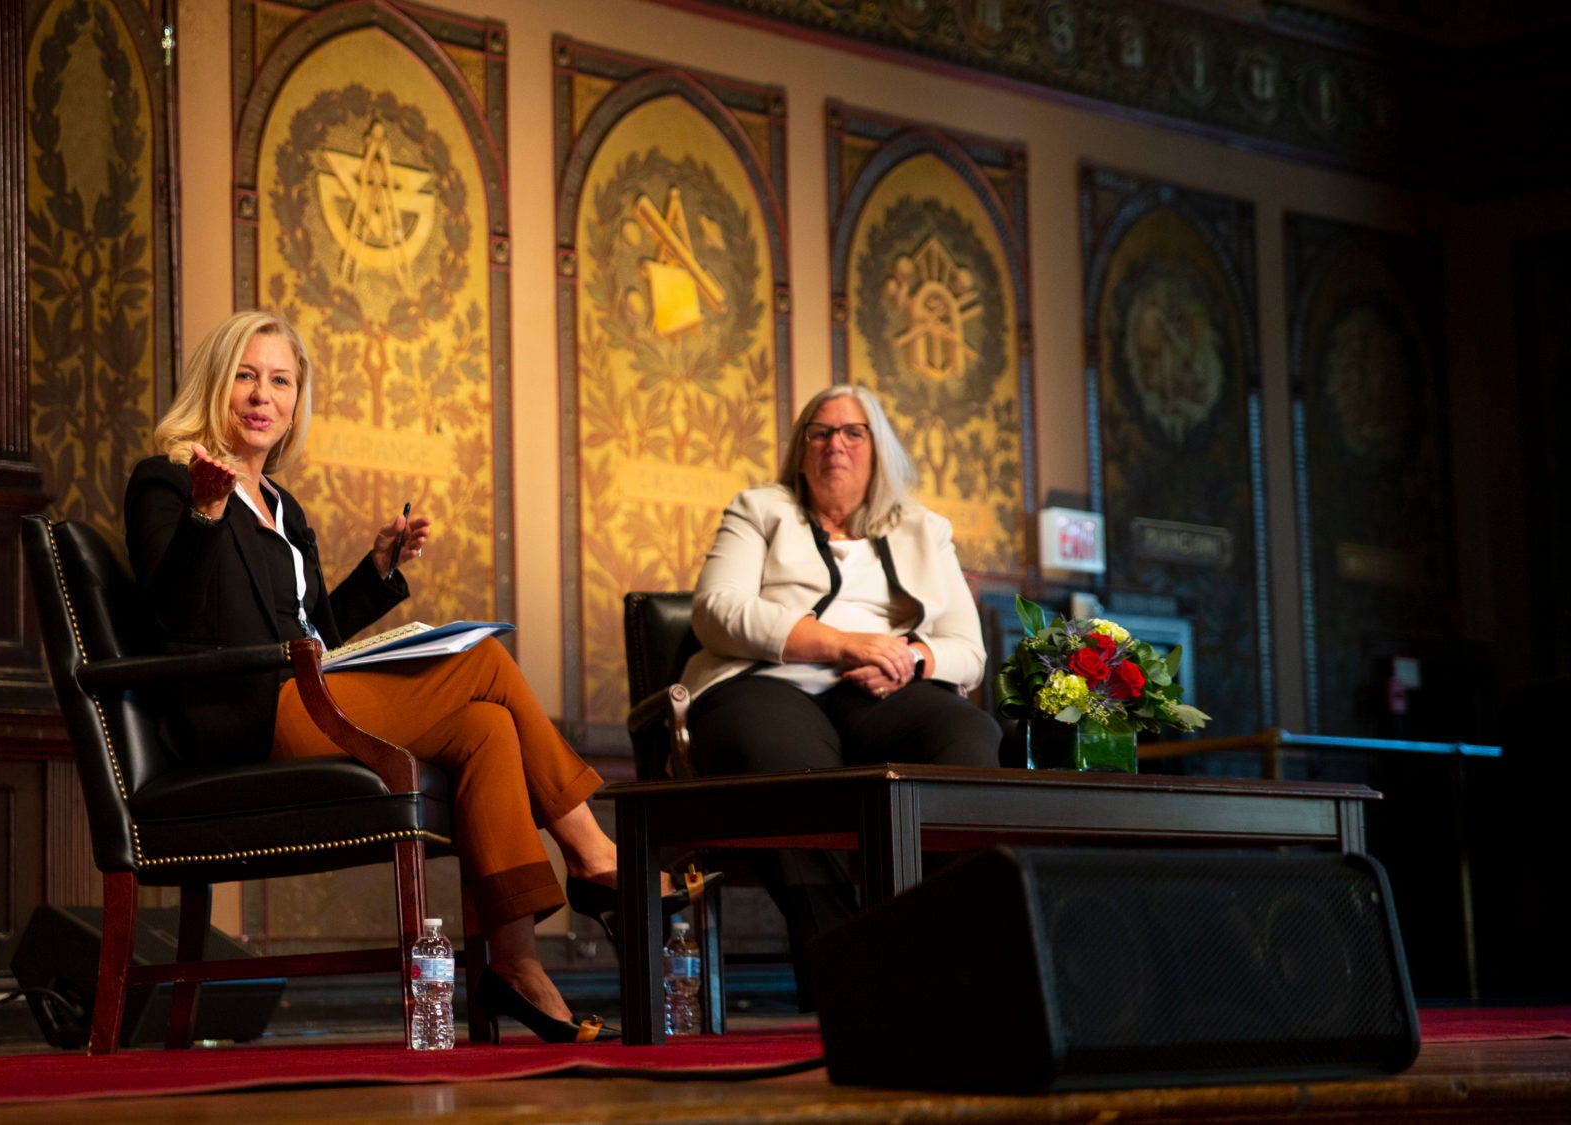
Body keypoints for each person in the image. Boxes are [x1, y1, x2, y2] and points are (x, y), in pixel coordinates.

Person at [125, 310, 706, 1044]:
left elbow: (317, 639)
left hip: (307, 693)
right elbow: (167, 614)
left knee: (487, 726)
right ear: (215, 382)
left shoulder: (282, 505)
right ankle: (593, 852)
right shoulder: (166, 482)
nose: (261, 394)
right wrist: (206, 513)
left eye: (280, 380)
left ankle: (515, 962)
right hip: (239, 718)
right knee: (486, 662)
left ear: (297, 400)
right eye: (245, 375)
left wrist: (377, 573)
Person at [678, 383, 1003, 1009]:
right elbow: (716, 610)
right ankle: (852, 976)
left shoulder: (923, 529)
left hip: (880, 691)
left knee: (966, 735)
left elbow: (968, 648)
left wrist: (911, 656)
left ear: (878, 451)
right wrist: (840, 643)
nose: (836, 446)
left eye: (853, 433)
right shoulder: (760, 508)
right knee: (787, 763)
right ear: (801, 452)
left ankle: (932, 958)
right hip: (763, 682)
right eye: (820, 433)